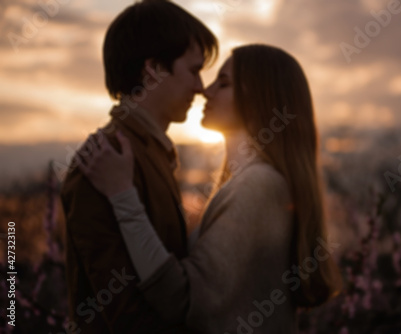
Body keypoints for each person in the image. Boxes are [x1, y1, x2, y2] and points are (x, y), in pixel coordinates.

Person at [77, 44, 341, 333]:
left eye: (224, 83)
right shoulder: (253, 182)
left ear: (259, 99)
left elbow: (181, 300)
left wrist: (121, 194)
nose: (206, 90)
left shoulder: (258, 186)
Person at [60, 0, 218, 332]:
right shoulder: (104, 162)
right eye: (193, 69)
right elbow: (124, 313)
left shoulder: (146, 153)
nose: (201, 87)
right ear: (154, 69)